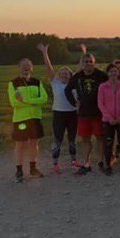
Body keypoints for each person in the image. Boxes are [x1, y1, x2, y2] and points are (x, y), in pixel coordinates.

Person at [37, 43, 77, 175]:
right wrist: (45, 52)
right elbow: (49, 67)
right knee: (58, 140)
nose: (64, 75)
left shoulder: (73, 84)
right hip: (59, 114)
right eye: (62, 73)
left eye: (67, 73)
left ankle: (73, 160)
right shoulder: (55, 82)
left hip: (72, 114)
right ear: (59, 75)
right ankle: (55, 163)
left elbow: (82, 67)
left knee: (72, 139)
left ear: (71, 76)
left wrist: (84, 52)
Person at [65, 53, 108, 175]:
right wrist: (74, 103)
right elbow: (67, 90)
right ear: (82, 63)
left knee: (100, 137)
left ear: (94, 62)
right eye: (85, 61)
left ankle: (101, 162)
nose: (88, 63)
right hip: (83, 113)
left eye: (90, 61)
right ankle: (86, 163)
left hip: (98, 113)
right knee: (85, 139)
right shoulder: (77, 77)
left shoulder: (101, 75)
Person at [8, 58, 49, 182]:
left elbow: (44, 98)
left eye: (28, 66)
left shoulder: (37, 82)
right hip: (20, 119)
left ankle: (33, 168)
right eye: (23, 66)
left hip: (35, 118)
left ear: (32, 68)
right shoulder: (13, 83)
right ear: (19, 67)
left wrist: (27, 101)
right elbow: (14, 102)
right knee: (20, 145)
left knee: (34, 144)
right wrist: (33, 103)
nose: (26, 68)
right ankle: (19, 170)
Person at [97, 63, 120, 175]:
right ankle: (108, 164)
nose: (113, 73)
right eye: (111, 71)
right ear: (108, 73)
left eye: (115, 71)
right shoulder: (102, 87)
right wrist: (108, 117)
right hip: (108, 120)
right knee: (108, 142)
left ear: (118, 73)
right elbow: (101, 104)